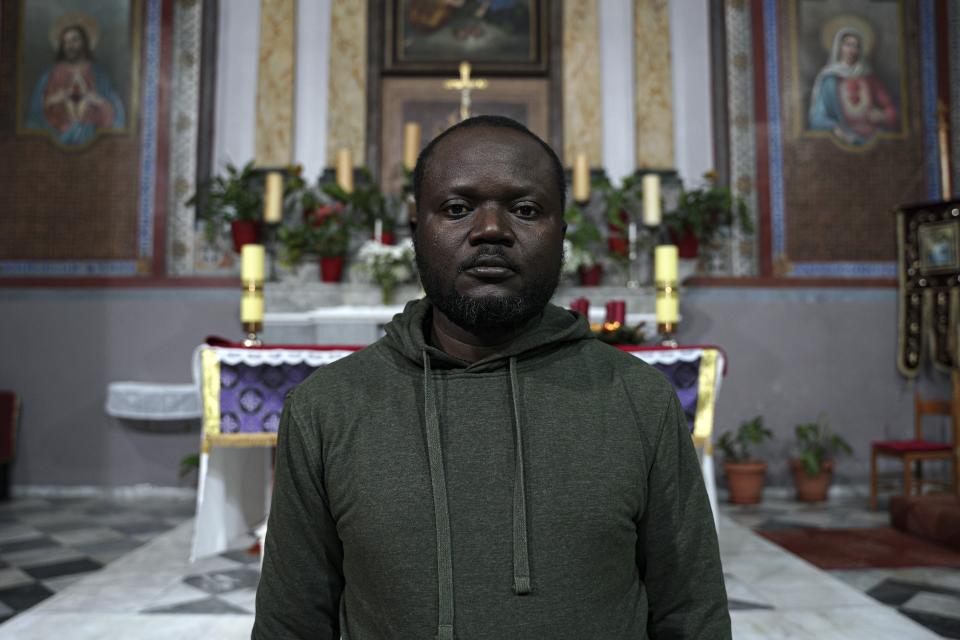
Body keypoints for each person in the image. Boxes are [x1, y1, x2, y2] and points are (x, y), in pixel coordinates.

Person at [253, 115, 730, 639]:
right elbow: (290, 625)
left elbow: (692, 615)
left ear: (562, 234)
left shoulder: (638, 399)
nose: (491, 231)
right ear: (415, 232)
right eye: (457, 209)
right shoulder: (327, 408)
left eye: (525, 210)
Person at [26, 23, 125, 147]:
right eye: (66, 42)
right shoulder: (50, 74)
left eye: (74, 40)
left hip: (93, 139)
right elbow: (35, 113)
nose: (70, 46)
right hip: (55, 139)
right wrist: (54, 99)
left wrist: (97, 100)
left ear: (85, 43)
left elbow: (116, 114)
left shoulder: (99, 74)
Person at [808, 26, 898, 146]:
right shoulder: (830, 80)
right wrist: (835, 128)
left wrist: (882, 116)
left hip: (871, 138)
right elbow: (817, 119)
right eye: (848, 45)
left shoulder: (869, 78)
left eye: (856, 46)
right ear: (839, 47)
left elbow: (892, 111)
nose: (852, 49)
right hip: (842, 140)